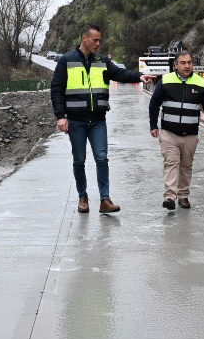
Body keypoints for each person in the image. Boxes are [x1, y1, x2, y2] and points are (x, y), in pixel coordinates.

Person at [51, 24, 154, 213]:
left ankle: (105, 200)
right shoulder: (66, 61)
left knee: (102, 159)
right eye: (95, 40)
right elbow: (56, 90)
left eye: (100, 40)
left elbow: (120, 73)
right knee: (79, 161)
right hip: (76, 121)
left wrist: (140, 76)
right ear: (84, 38)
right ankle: (83, 198)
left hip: (98, 120)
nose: (99, 43)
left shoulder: (102, 60)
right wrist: (61, 117)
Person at [148, 50, 204, 210]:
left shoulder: (200, 83)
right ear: (176, 65)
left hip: (190, 134)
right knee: (171, 163)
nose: (187, 66)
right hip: (169, 133)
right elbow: (154, 104)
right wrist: (153, 125)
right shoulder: (166, 80)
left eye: (189, 63)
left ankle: (183, 196)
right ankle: (170, 197)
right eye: (183, 63)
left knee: (186, 166)